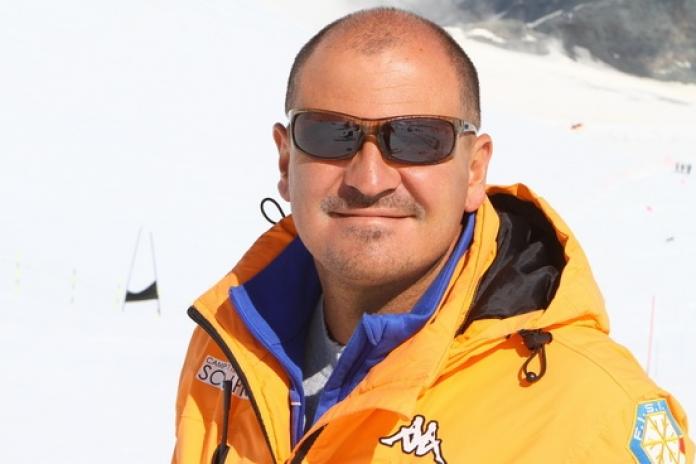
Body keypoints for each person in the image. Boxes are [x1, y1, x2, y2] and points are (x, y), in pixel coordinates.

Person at [173, 7, 694, 464]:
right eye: (331, 135)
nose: (369, 179)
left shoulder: (594, 416)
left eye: (417, 139)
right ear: (286, 161)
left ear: (474, 171)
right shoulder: (229, 347)